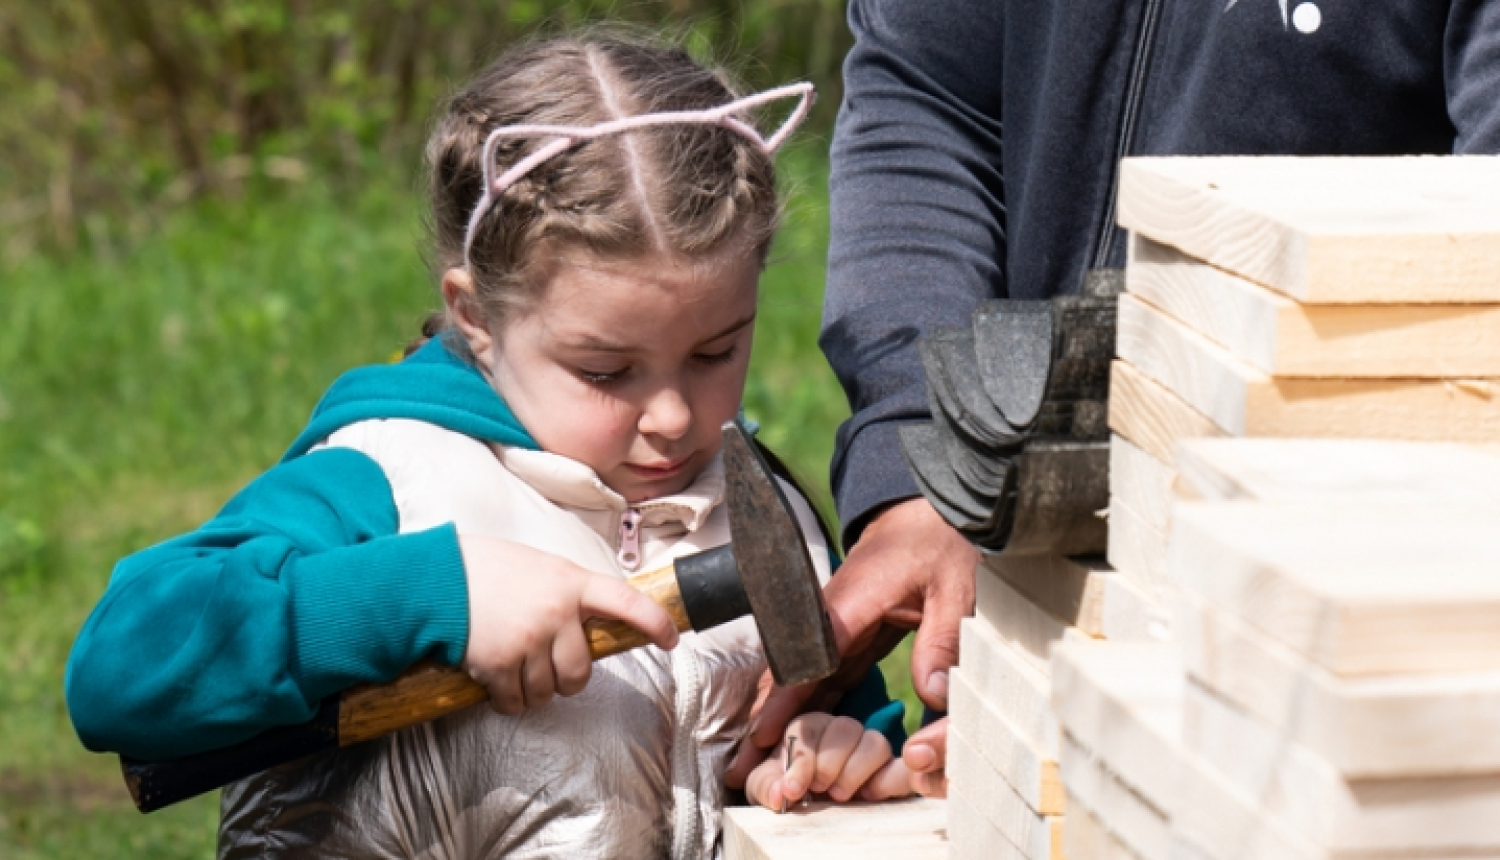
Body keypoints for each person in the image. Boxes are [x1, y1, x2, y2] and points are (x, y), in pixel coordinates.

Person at [64, 34, 913, 860]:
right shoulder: (390, 478)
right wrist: (436, 590)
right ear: (475, 316)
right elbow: (118, 669)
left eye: (716, 352)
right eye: (606, 369)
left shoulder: (765, 516)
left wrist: (836, 750)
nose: (671, 417)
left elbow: (843, 710)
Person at [731, 0, 1500, 798]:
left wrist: (1198, 669)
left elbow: (1472, 293)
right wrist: (927, 464)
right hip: (1025, 616)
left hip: (1334, 642)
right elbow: (930, 91)